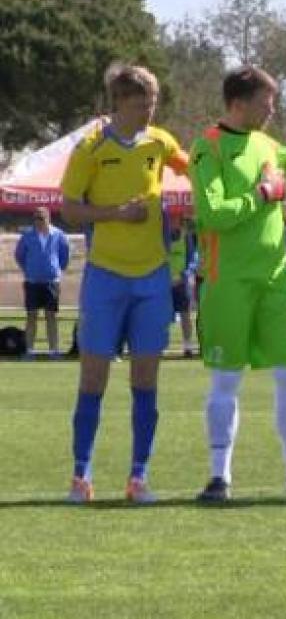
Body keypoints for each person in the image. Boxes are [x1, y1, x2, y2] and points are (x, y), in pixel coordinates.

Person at [189, 65, 286, 503]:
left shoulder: (268, 144)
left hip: (276, 281)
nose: (272, 109)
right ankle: (219, 477)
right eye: (265, 102)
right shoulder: (207, 148)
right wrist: (262, 195)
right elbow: (213, 214)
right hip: (228, 284)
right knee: (225, 381)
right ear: (239, 103)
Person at [59, 64, 189, 503]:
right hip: (105, 277)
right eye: (139, 104)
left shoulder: (160, 140)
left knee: (146, 380)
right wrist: (116, 213)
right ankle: (81, 475)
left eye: (152, 103)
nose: (148, 112)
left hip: (152, 278)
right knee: (93, 378)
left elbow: (193, 169)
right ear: (119, 103)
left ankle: (139, 477)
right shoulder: (91, 148)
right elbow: (71, 210)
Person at [13, 206, 70, 357]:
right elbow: (19, 255)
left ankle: (53, 350)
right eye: (36, 218)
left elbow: (64, 255)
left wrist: (56, 270)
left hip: (52, 282)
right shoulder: (27, 235)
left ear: (48, 218)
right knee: (31, 315)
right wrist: (29, 269)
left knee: (51, 315)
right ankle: (29, 350)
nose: (38, 221)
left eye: (41, 218)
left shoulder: (59, 235)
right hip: (32, 281)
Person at [167, 216, 199, 357]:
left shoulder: (186, 237)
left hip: (181, 281)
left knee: (185, 313)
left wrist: (185, 274)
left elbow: (192, 258)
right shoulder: (161, 234)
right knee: (159, 315)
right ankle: (157, 346)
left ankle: (187, 346)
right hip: (162, 281)